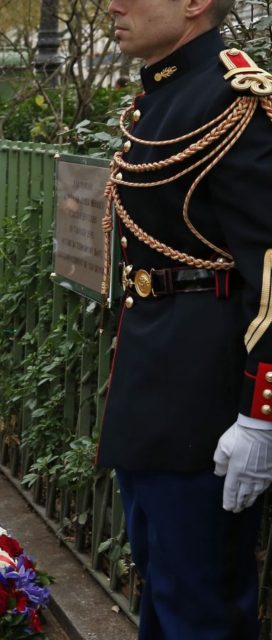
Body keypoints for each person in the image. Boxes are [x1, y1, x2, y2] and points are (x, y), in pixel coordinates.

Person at [99, 0, 270, 637]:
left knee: (199, 602)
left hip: (206, 389)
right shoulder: (166, 95)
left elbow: (271, 267)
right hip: (155, 373)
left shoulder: (234, 98)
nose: (112, 5)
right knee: (163, 584)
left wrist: (261, 413)